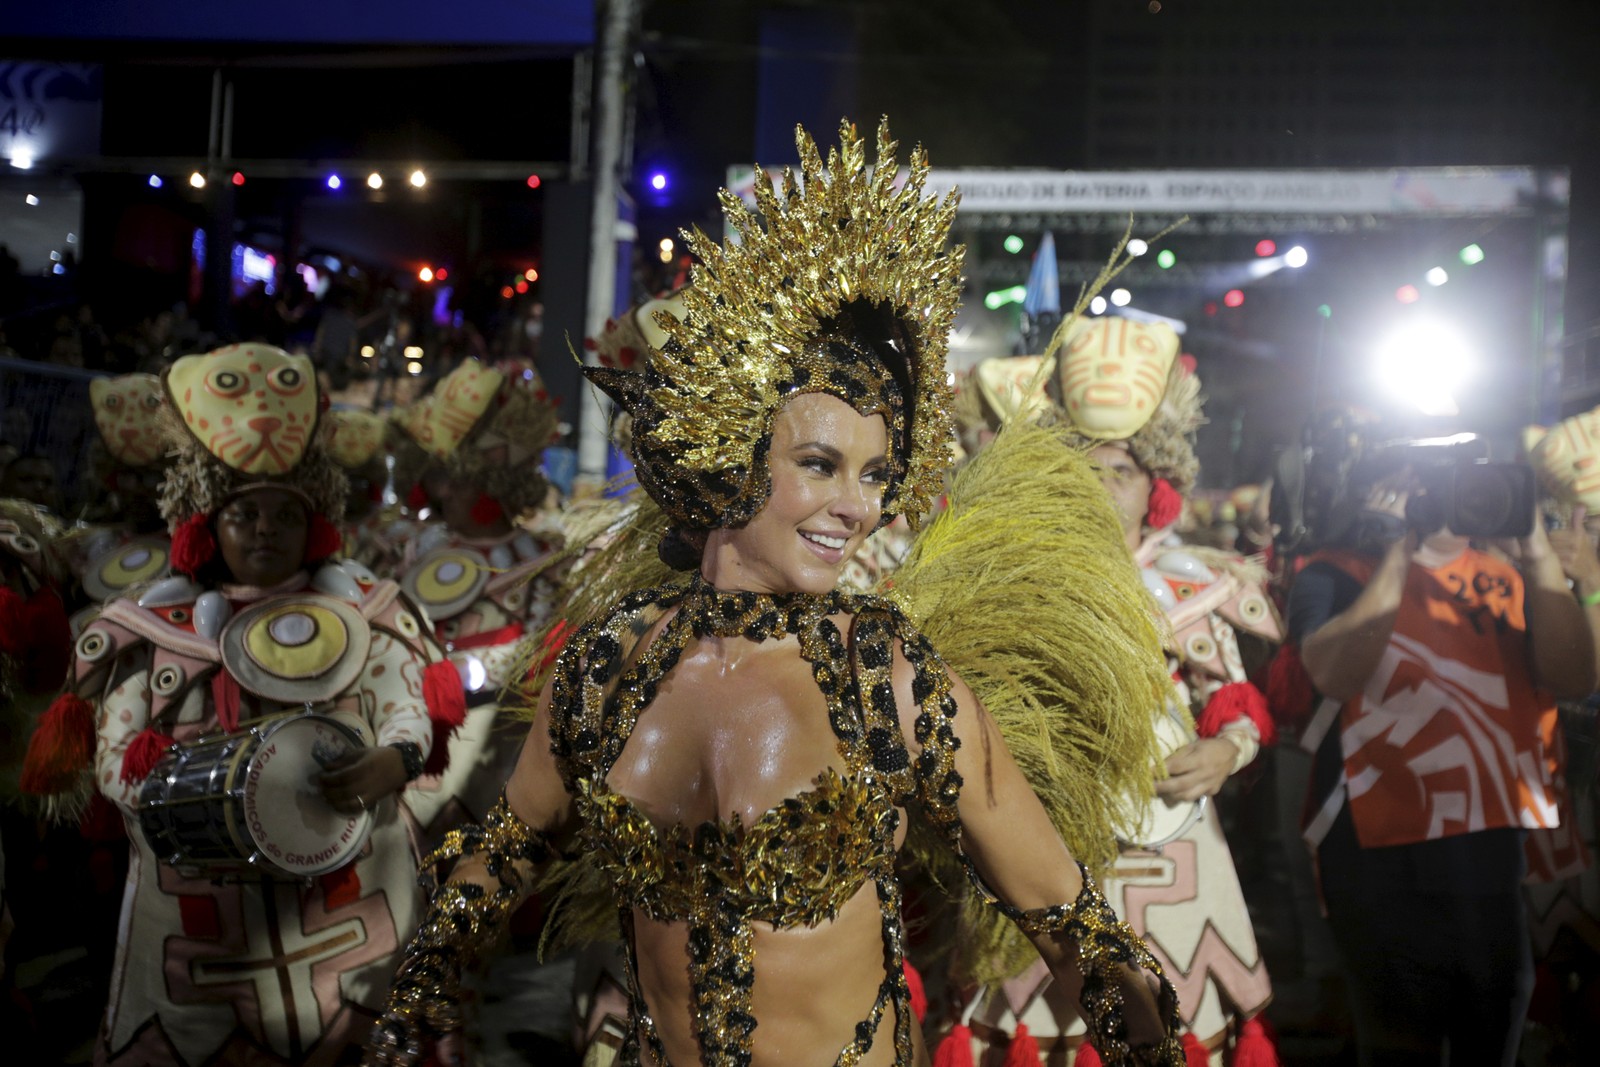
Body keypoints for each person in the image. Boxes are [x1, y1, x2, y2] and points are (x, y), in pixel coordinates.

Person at [368, 119, 1182, 1067]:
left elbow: (1060, 908)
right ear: (726, 452)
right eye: (821, 464)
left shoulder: (889, 677)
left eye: (878, 474)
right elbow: (514, 836)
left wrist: (1139, 1031)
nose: (859, 506)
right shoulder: (608, 664)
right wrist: (432, 964)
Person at [19, 343, 464, 1066]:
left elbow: (404, 701)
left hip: (344, 904)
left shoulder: (370, 615)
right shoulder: (148, 633)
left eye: (282, 515)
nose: (264, 530)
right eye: (244, 514)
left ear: (313, 523)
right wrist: (209, 805)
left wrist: (396, 757)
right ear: (207, 525)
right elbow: (115, 756)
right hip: (200, 918)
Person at [951, 322, 1279, 1065]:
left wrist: (1226, 748)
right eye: (1085, 472)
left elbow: (1235, 696)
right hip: (1041, 843)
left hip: (1171, 844)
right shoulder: (1005, 579)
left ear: (1156, 490)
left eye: (1122, 472)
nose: (1102, 489)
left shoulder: (1193, 583)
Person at [1287, 449, 1595, 1066]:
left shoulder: (1510, 576)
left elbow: (1574, 675)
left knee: (1495, 1015)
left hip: (1486, 840)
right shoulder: (1335, 573)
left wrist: (1535, 552)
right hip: (1376, 844)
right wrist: (1405, 553)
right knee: (1400, 1036)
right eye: (1432, 482)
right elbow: (1333, 674)